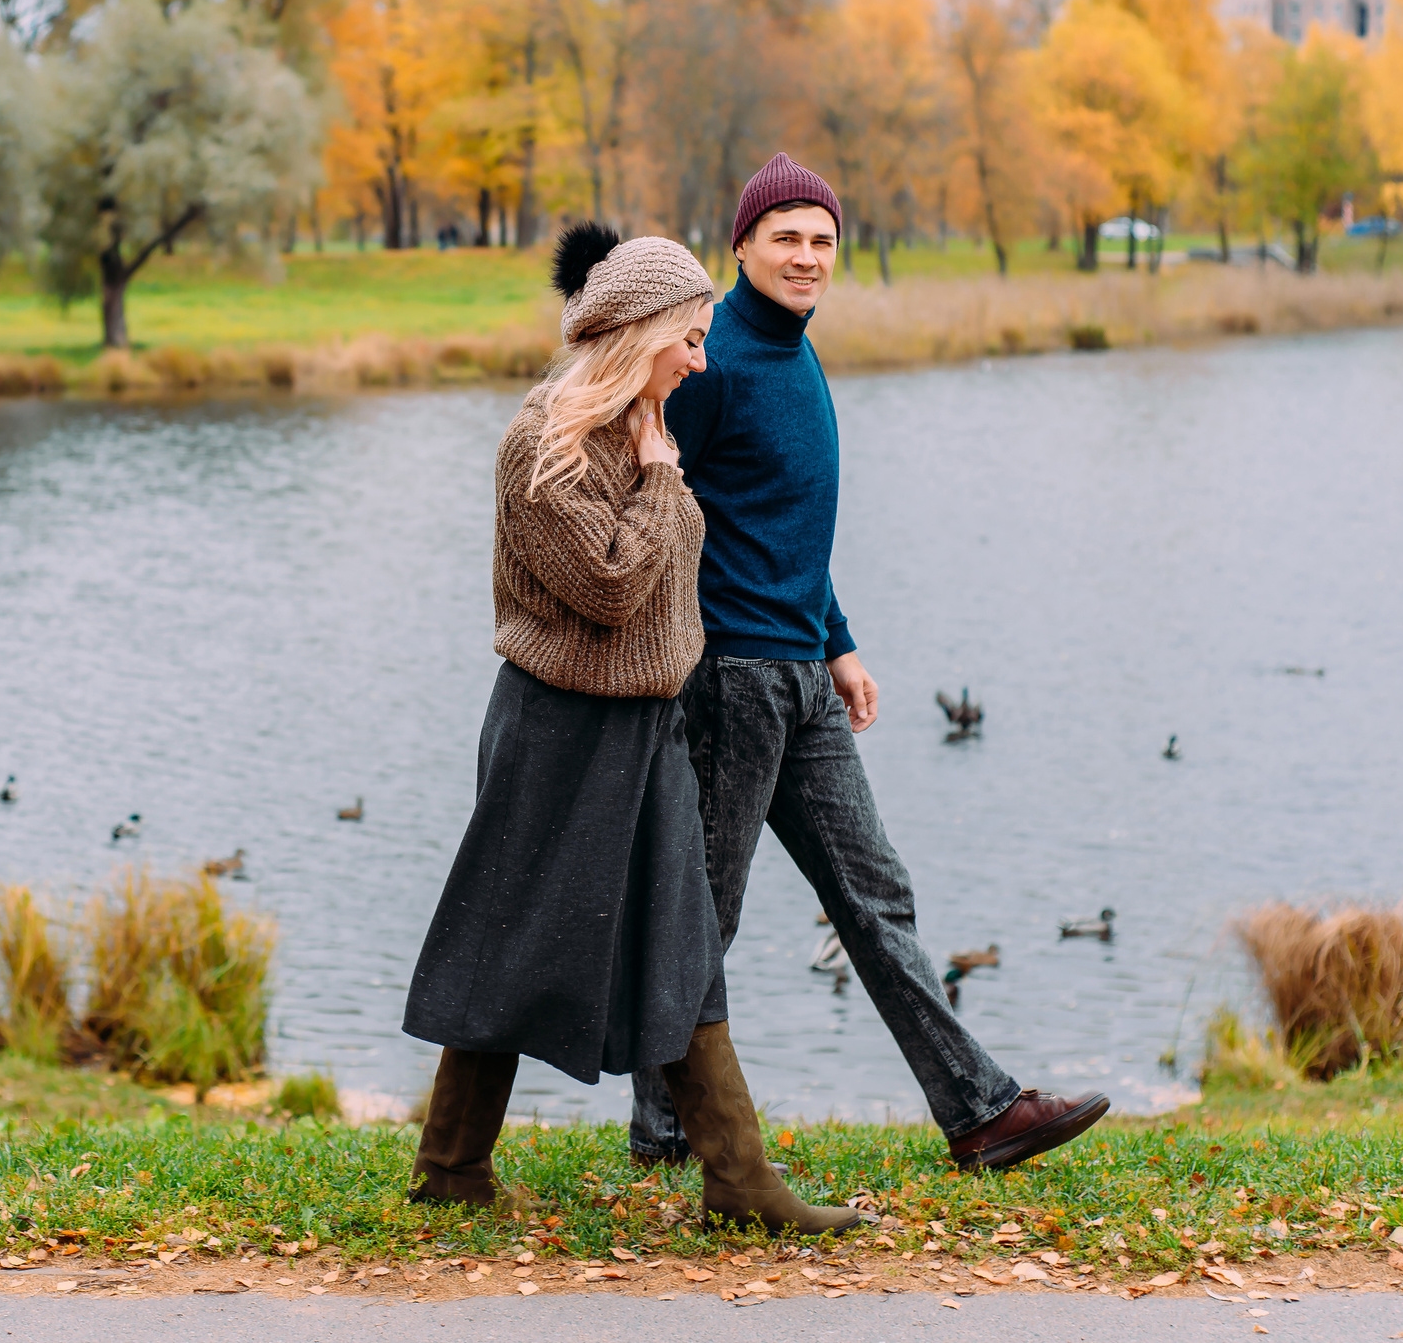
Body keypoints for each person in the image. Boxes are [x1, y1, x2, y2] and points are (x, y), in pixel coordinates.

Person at [627, 153, 1110, 1174]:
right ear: (741, 247)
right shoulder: (711, 366)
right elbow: (654, 500)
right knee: (701, 912)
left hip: (800, 676)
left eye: (821, 239)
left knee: (875, 891)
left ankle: (978, 1111)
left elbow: (783, 528)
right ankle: (664, 1127)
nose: (806, 255)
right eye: (785, 236)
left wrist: (838, 640)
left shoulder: (798, 357)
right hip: (732, 684)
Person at [404, 223, 861, 1234]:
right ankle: (449, 1167)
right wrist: (662, 477)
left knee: (681, 935)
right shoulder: (546, 441)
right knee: (508, 937)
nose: (701, 359)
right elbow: (610, 586)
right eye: (689, 338)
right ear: (639, 330)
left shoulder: (639, 425)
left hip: (645, 724)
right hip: (555, 727)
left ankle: (739, 1179)